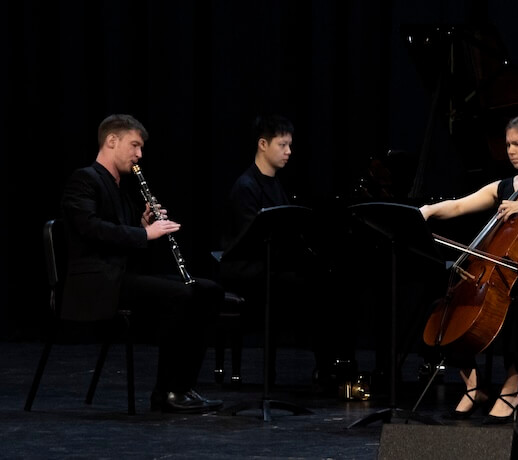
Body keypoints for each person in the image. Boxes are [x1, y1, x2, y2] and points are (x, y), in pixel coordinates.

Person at [419, 113, 518, 424]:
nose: (511, 150)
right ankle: (473, 387)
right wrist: (425, 212)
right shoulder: (504, 186)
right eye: (508, 144)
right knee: (447, 305)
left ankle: (511, 390)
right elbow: (458, 205)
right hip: (504, 278)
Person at [60, 113, 225, 414]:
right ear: (112, 141)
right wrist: (144, 233)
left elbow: (121, 235)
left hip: (119, 277)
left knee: (208, 290)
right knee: (182, 296)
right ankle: (167, 393)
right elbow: (90, 228)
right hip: (96, 283)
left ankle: (182, 386)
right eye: (134, 145)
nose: (139, 154)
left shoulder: (120, 187)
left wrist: (141, 222)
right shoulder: (84, 179)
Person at [219, 114, 356, 391]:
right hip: (248, 270)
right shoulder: (246, 186)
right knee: (316, 289)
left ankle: (334, 364)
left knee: (330, 284)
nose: (289, 152)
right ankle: (329, 365)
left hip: (270, 264)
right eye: (282, 145)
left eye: (290, 145)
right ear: (262, 145)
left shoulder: (275, 183)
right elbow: (253, 242)